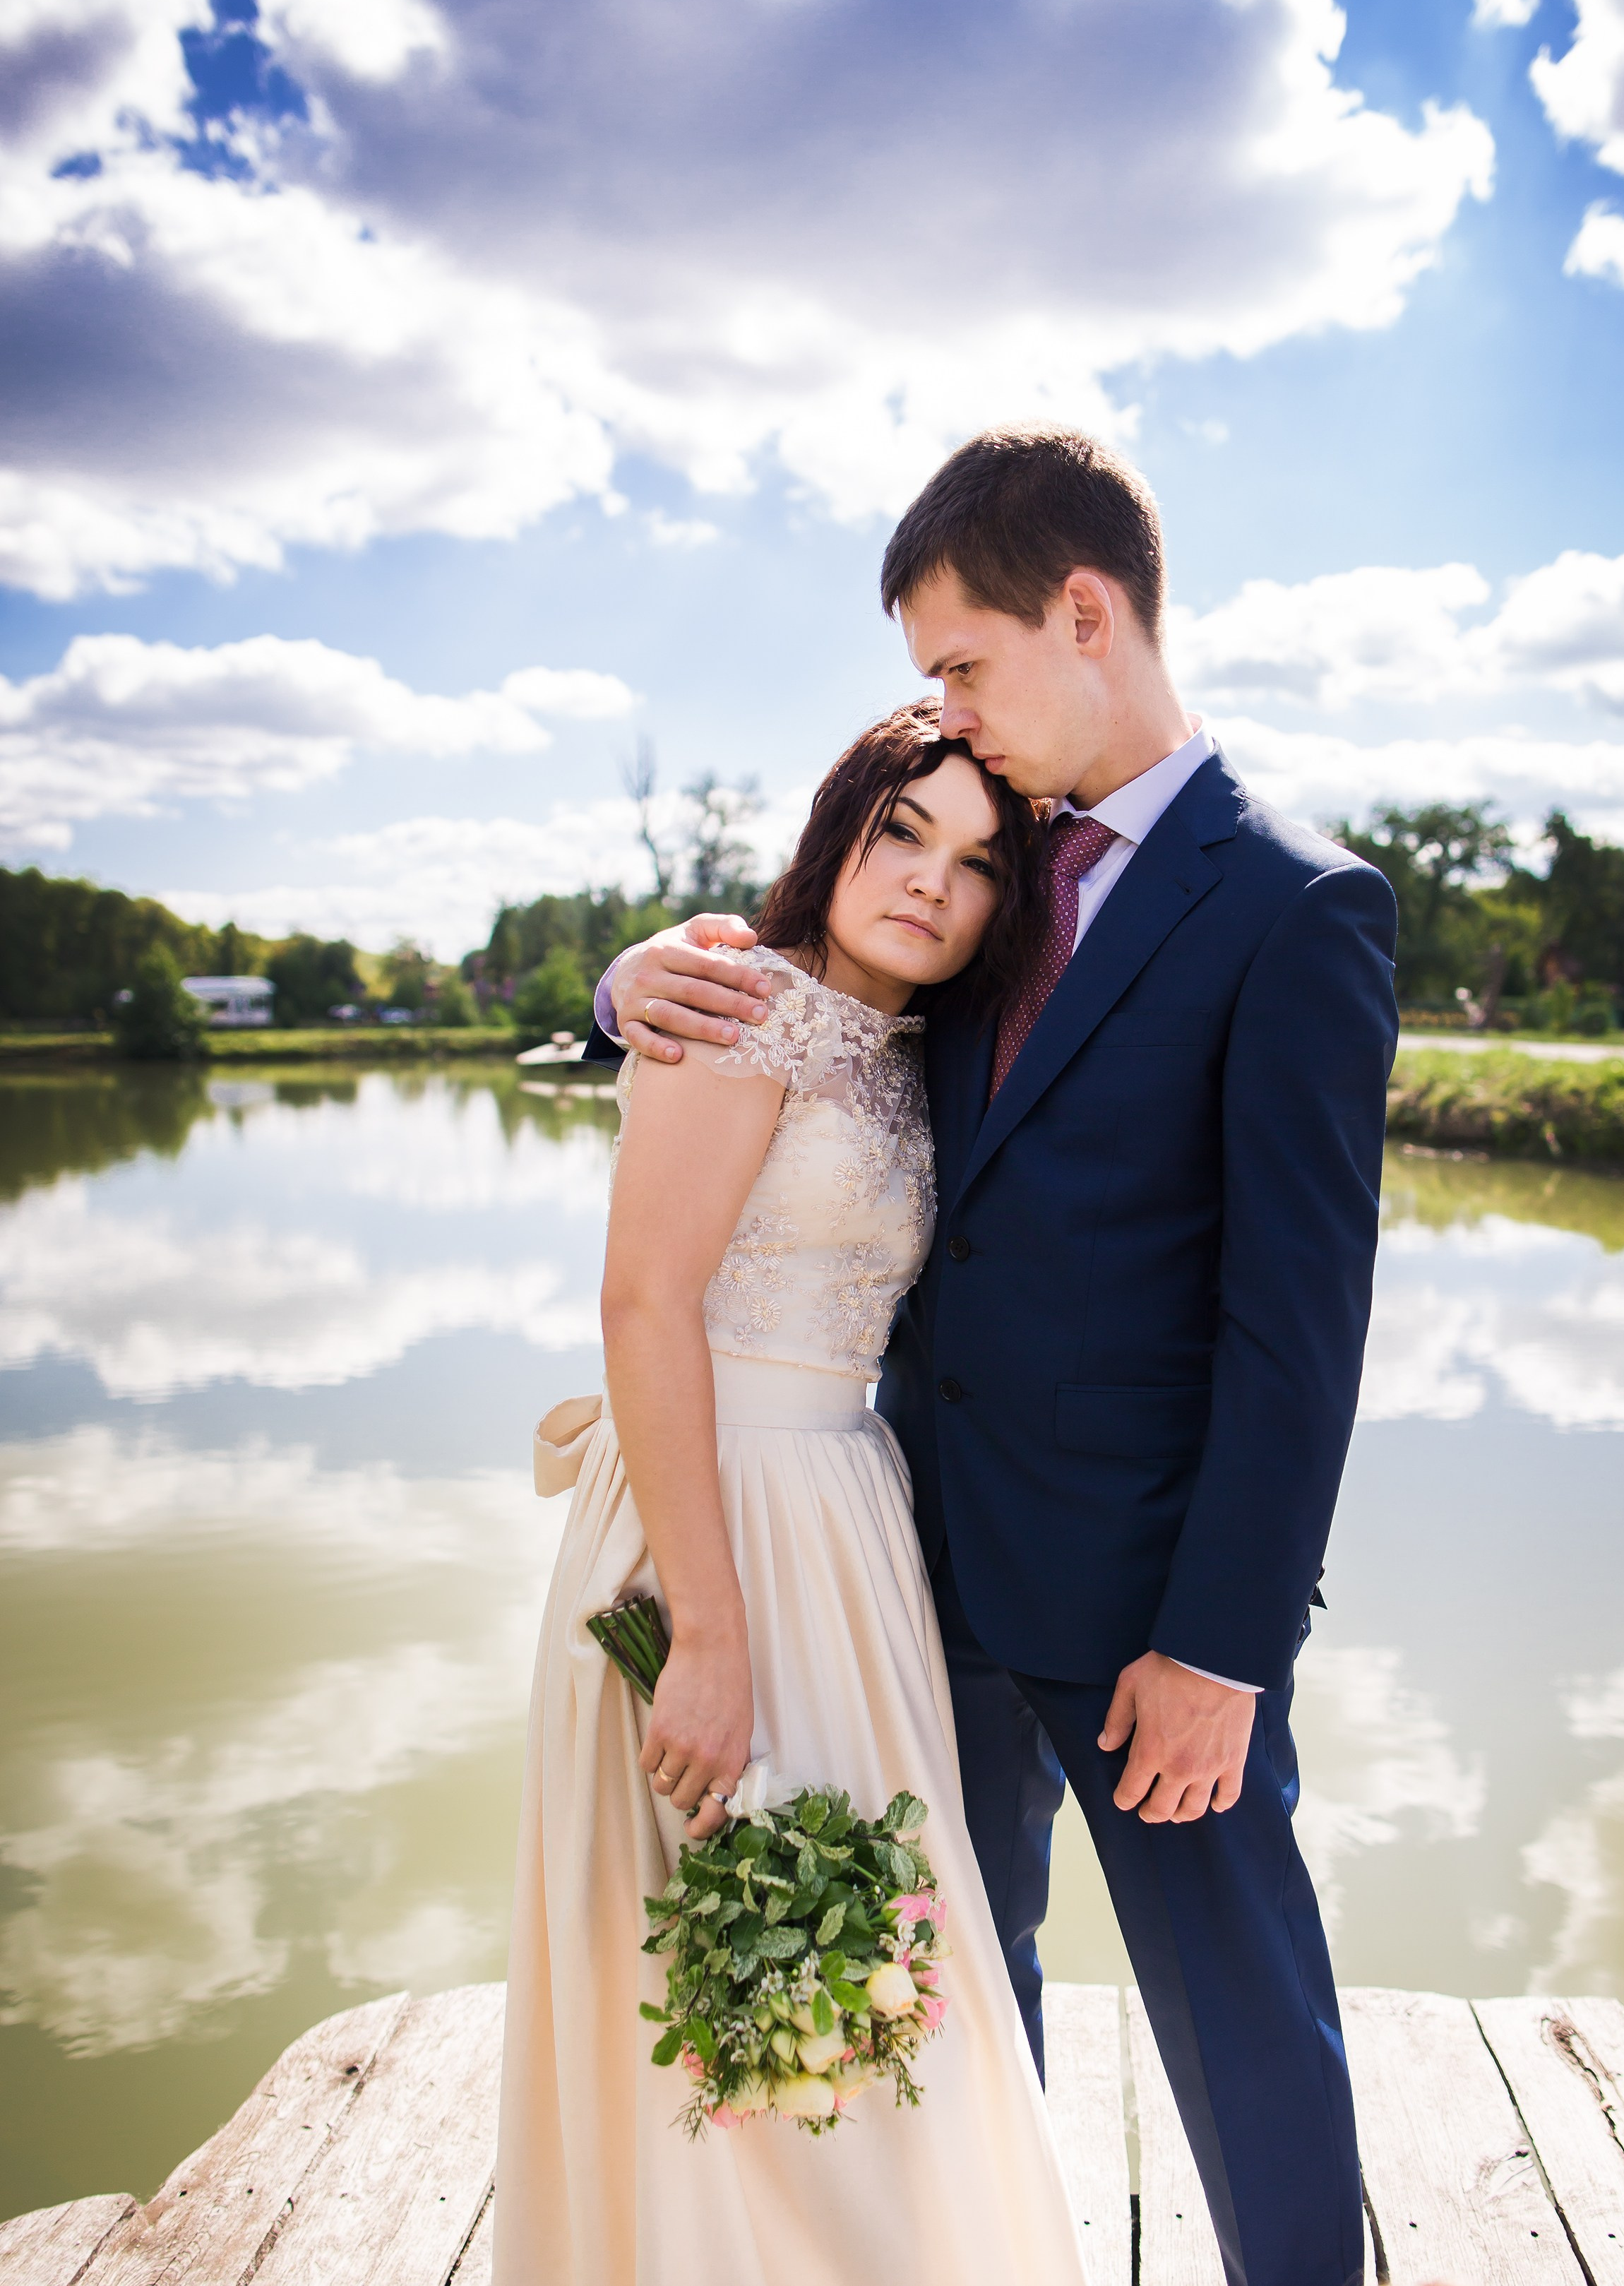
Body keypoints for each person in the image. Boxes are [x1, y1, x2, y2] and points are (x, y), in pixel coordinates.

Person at [593, 429, 1399, 2286]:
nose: (936, 706)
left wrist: (1220, 1646)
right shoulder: (989, 862)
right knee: (945, 1988)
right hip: (904, 1576)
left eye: (957, 663)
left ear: (1085, 613)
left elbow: (1297, 1330)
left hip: (1144, 1620)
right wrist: (628, 985)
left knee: (1239, 2014)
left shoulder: (1292, 909)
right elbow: (810, 1026)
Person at [493, 702, 1094, 2286]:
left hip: (846, 1520)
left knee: (869, 1962)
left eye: (975, 865)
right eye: (902, 830)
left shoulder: (914, 1051)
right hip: (715, 1523)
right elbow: (644, 1304)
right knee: (710, 1971)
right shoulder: (741, 1002)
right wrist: (704, 1630)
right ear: (838, 825)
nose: (928, 883)